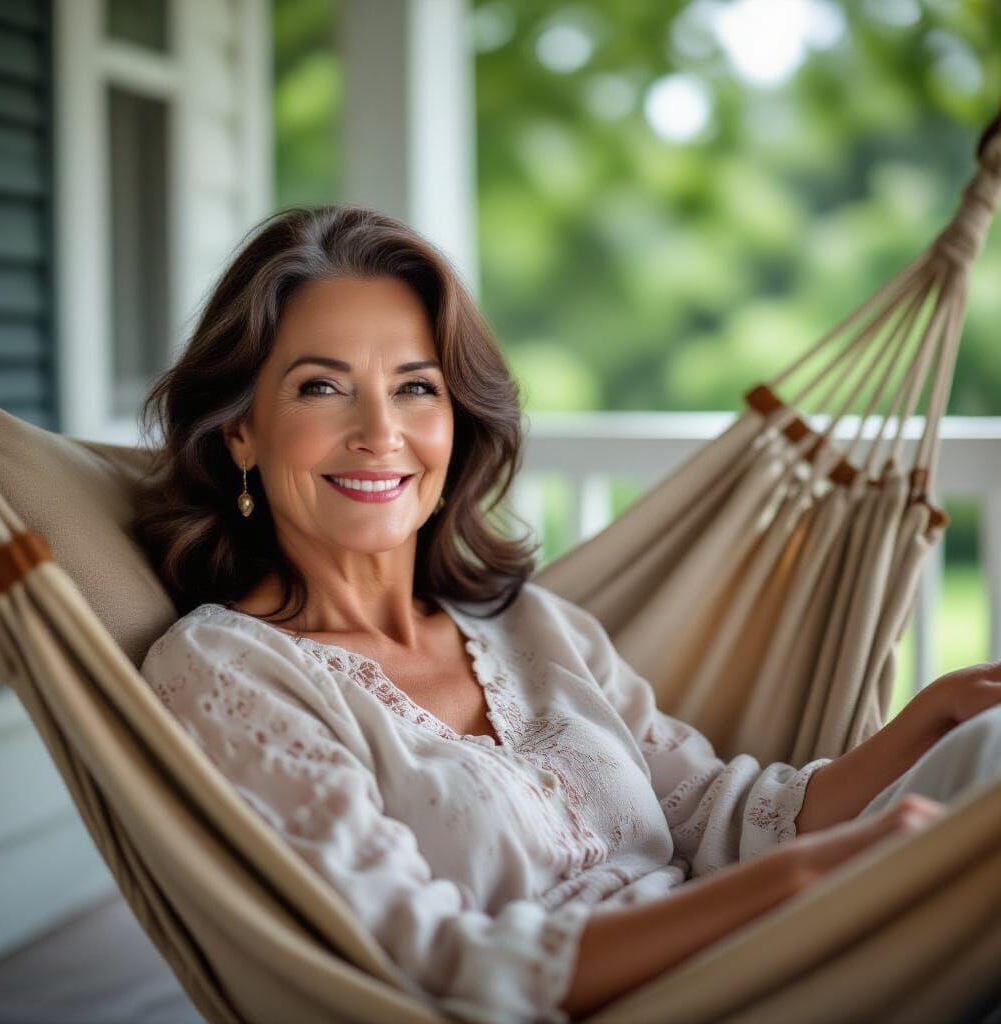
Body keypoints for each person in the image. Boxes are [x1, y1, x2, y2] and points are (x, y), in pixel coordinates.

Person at [134, 205, 1001, 1024]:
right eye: (322, 386)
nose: (380, 432)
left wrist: (933, 715)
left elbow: (718, 816)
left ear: (457, 419)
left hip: (762, 946)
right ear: (241, 429)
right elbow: (415, 965)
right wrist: (796, 885)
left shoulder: (531, 626)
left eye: (416, 388)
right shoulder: (225, 670)